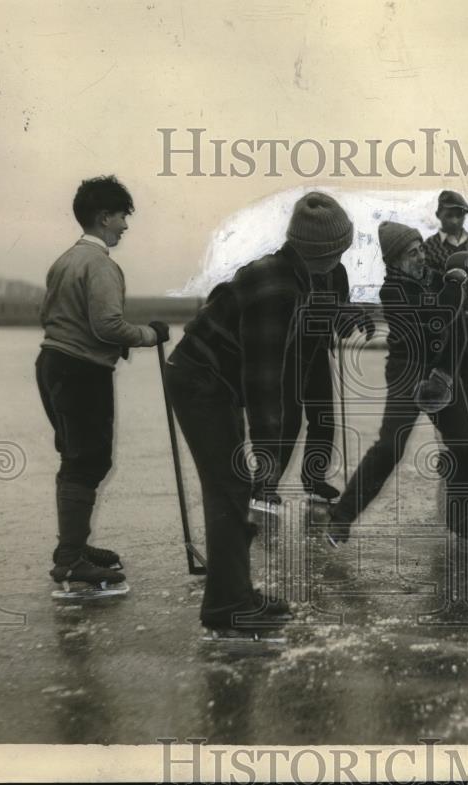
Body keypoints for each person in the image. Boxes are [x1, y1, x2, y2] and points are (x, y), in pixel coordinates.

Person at [165, 192, 353, 636]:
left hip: (211, 380)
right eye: (340, 248)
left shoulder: (292, 274)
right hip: (201, 382)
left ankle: (235, 592)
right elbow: (264, 376)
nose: (345, 254)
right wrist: (268, 448)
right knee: (230, 487)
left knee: (231, 488)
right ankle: (228, 605)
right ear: (323, 252)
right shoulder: (279, 287)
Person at [325, 221, 468, 548]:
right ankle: (341, 518)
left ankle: (461, 520)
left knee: (466, 451)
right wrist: (455, 282)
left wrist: (446, 376)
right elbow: (438, 318)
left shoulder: (435, 278)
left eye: (421, 249)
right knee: (391, 445)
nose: (420, 257)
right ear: (394, 261)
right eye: (412, 253)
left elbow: (458, 331)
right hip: (407, 370)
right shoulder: (392, 291)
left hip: (443, 371)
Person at [36, 175, 169, 589]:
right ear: (104, 216)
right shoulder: (100, 265)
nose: (125, 226)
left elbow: (53, 316)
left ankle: (71, 547)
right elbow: (107, 324)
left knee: (76, 456)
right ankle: (71, 559)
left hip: (53, 364)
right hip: (81, 371)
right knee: (90, 460)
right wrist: (150, 334)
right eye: (122, 217)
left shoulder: (64, 260)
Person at [252, 262, 375, 509]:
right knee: (288, 421)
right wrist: (340, 311)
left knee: (323, 418)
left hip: (317, 350)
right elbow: (301, 306)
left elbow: (342, 318)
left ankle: (314, 479)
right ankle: (264, 485)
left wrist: (350, 319)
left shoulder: (339, 270)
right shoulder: (296, 266)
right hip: (288, 350)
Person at [423, 190, 468, 483]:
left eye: (459, 214)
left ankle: (467, 455)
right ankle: (451, 455)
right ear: (439, 214)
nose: (454, 219)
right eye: (449, 213)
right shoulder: (429, 247)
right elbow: (429, 290)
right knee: (445, 392)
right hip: (445, 329)